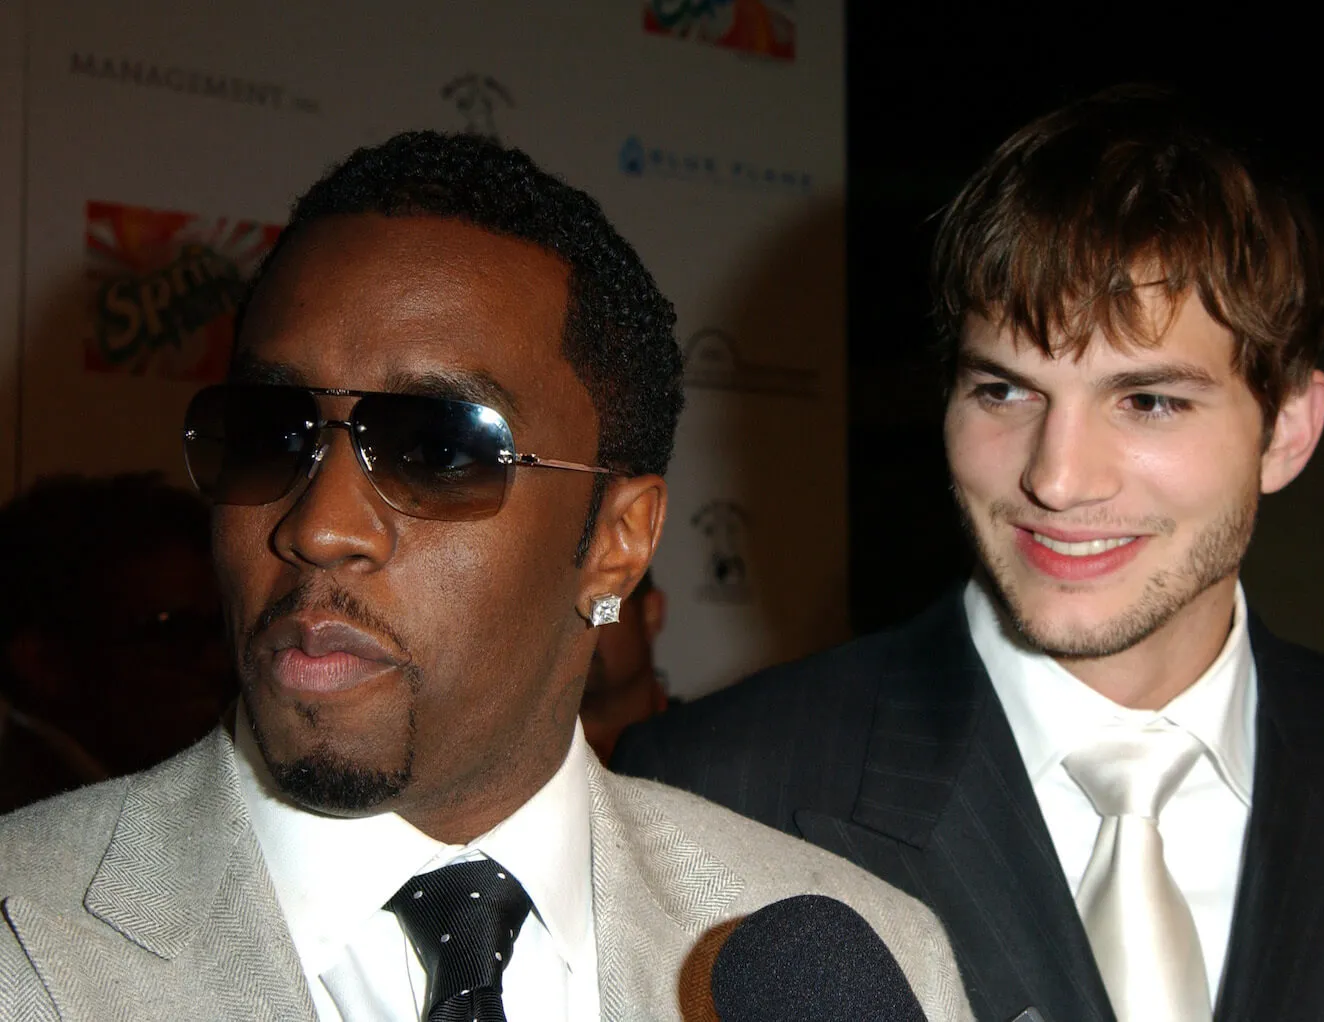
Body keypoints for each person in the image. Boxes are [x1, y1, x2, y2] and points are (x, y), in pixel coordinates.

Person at [0, 132, 972, 1021]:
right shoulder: (23, 935)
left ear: (618, 542)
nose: (319, 525)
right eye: (269, 433)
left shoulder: (862, 960)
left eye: (434, 447)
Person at [615, 87, 1324, 1022]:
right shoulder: (710, 790)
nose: (1058, 477)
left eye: (1148, 400)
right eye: (1004, 391)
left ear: (1286, 430)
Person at [0, 472, 232, 812]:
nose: (219, 661)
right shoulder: (29, 828)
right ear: (44, 661)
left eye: (222, 626)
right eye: (173, 633)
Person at [580, 568, 670, 764]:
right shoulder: (525, 773)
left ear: (650, 612)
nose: (579, 625)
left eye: (599, 606)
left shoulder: (707, 748)